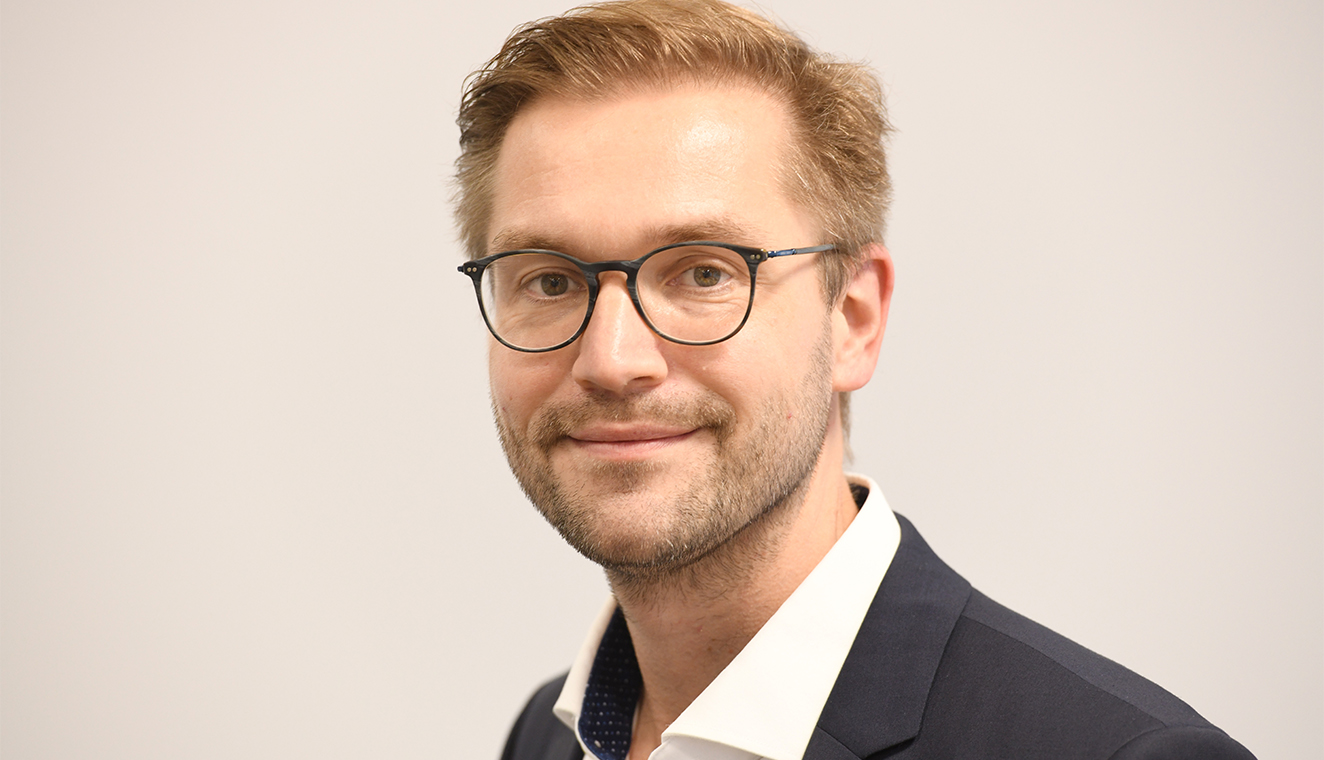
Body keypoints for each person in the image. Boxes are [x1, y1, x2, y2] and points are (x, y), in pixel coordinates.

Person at [452, 1, 1257, 758]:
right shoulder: (548, 734)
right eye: (549, 281)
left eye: (703, 273)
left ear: (854, 319)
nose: (611, 360)